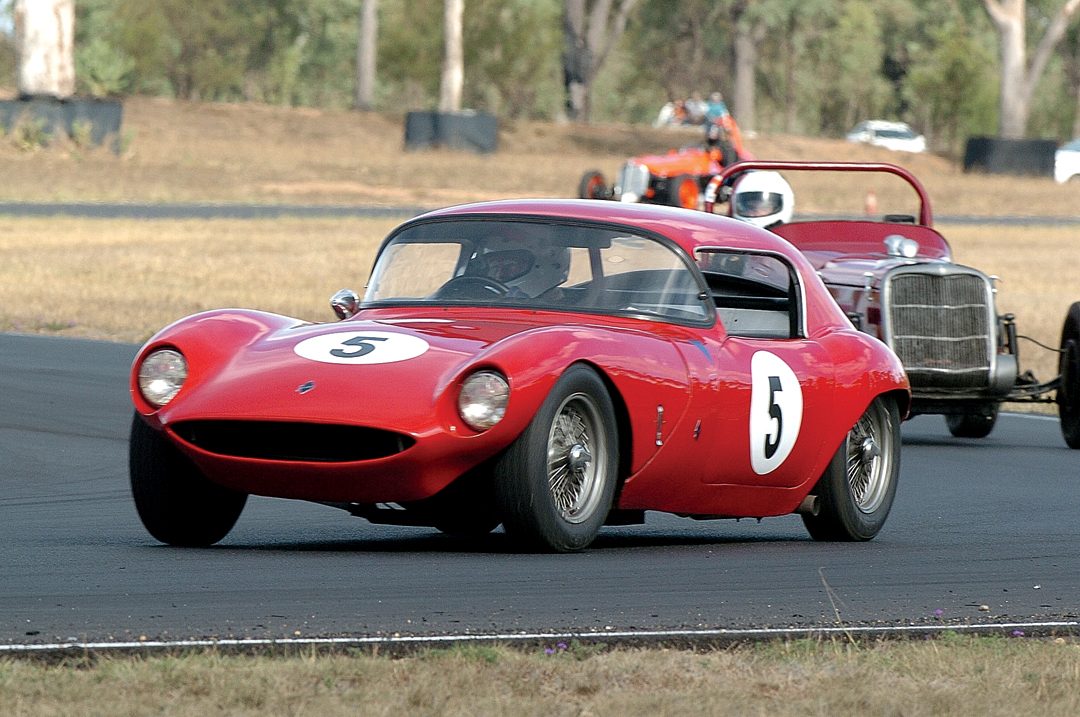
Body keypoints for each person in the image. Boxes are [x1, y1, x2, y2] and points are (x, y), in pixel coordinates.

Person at [730, 171, 794, 230]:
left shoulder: (790, 237)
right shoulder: (733, 235)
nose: (756, 213)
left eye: (764, 207)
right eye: (750, 207)